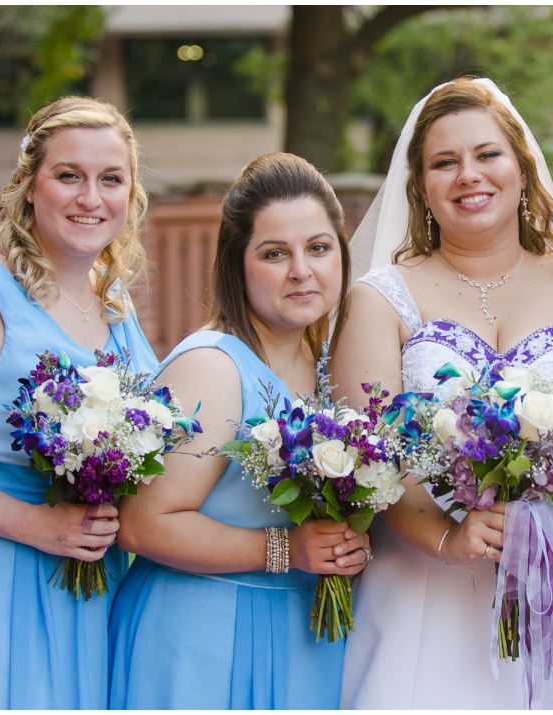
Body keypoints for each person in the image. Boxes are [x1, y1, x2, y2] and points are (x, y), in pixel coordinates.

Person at [332, 77, 553, 709]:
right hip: (424, 580)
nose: (467, 175)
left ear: (521, 170)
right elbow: (369, 455)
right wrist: (447, 539)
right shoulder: (378, 297)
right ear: (421, 186)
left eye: (486, 155)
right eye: (444, 163)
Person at [107, 152, 370, 708]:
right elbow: (142, 524)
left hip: (302, 635)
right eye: (275, 254)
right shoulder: (213, 365)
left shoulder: (329, 362)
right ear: (238, 264)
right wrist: (286, 548)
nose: (302, 270)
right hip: (203, 636)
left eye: (318, 249)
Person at [0, 96, 157, 708]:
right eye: (68, 176)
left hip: (85, 579)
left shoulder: (113, 301)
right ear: (29, 185)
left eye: (111, 179)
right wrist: (34, 525)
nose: (91, 198)